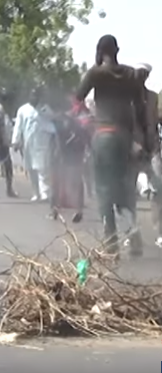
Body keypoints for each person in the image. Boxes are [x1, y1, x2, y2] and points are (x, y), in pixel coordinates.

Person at [74, 34, 148, 256]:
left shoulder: (95, 74)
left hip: (104, 135)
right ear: (117, 50)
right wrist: (143, 138)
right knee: (125, 188)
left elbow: (77, 98)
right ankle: (133, 234)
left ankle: (111, 241)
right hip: (125, 138)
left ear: (99, 51)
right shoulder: (131, 75)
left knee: (104, 188)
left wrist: (88, 117)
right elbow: (141, 109)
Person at [130, 63, 162, 248]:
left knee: (158, 191)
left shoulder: (152, 97)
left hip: (152, 148)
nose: (142, 77)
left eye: (145, 74)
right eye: (139, 73)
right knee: (129, 194)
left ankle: (160, 232)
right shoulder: (126, 98)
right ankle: (131, 232)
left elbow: (154, 120)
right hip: (132, 148)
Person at [48, 98, 91, 223]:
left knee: (56, 183)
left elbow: (56, 140)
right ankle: (79, 210)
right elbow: (85, 137)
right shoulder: (75, 122)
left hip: (60, 156)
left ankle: (54, 211)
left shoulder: (56, 120)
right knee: (77, 182)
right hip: (74, 156)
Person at [11, 88, 56, 202]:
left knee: (43, 169)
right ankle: (36, 193)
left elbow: (53, 121)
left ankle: (44, 193)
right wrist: (16, 141)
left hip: (42, 143)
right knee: (31, 169)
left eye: (36, 96)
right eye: (33, 96)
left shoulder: (45, 108)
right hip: (28, 144)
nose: (34, 98)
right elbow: (18, 126)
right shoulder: (23, 110)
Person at [0, 100, 18, 198]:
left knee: (8, 166)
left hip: (1, 144)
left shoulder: (4, 119)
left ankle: (9, 189)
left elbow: (7, 131)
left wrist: (8, 141)